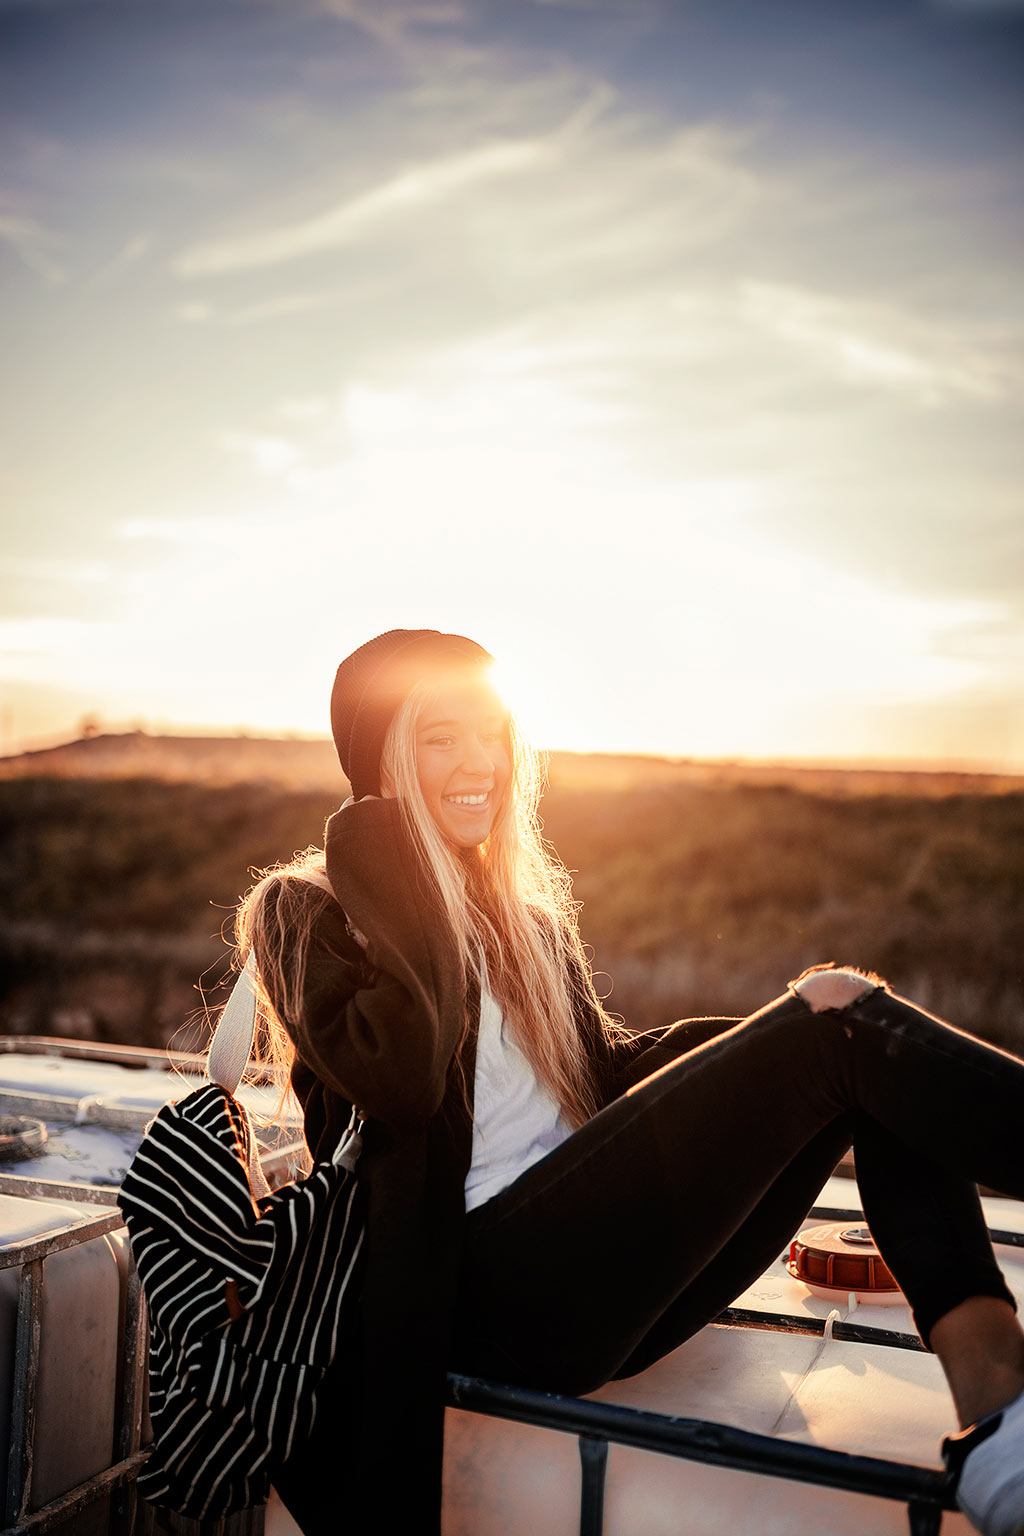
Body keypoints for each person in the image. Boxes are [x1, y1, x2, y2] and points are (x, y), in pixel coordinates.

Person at [233, 627, 1024, 1536]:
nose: (479, 761)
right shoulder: (307, 911)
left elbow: (600, 1084)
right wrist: (385, 847)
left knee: (873, 1060)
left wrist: (740, 1057)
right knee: (837, 1020)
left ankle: (997, 1414)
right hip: (481, 1295)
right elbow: (401, 1077)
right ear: (380, 760)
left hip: (597, 1280)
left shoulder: (526, 922)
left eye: (492, 731)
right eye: (439, 737)